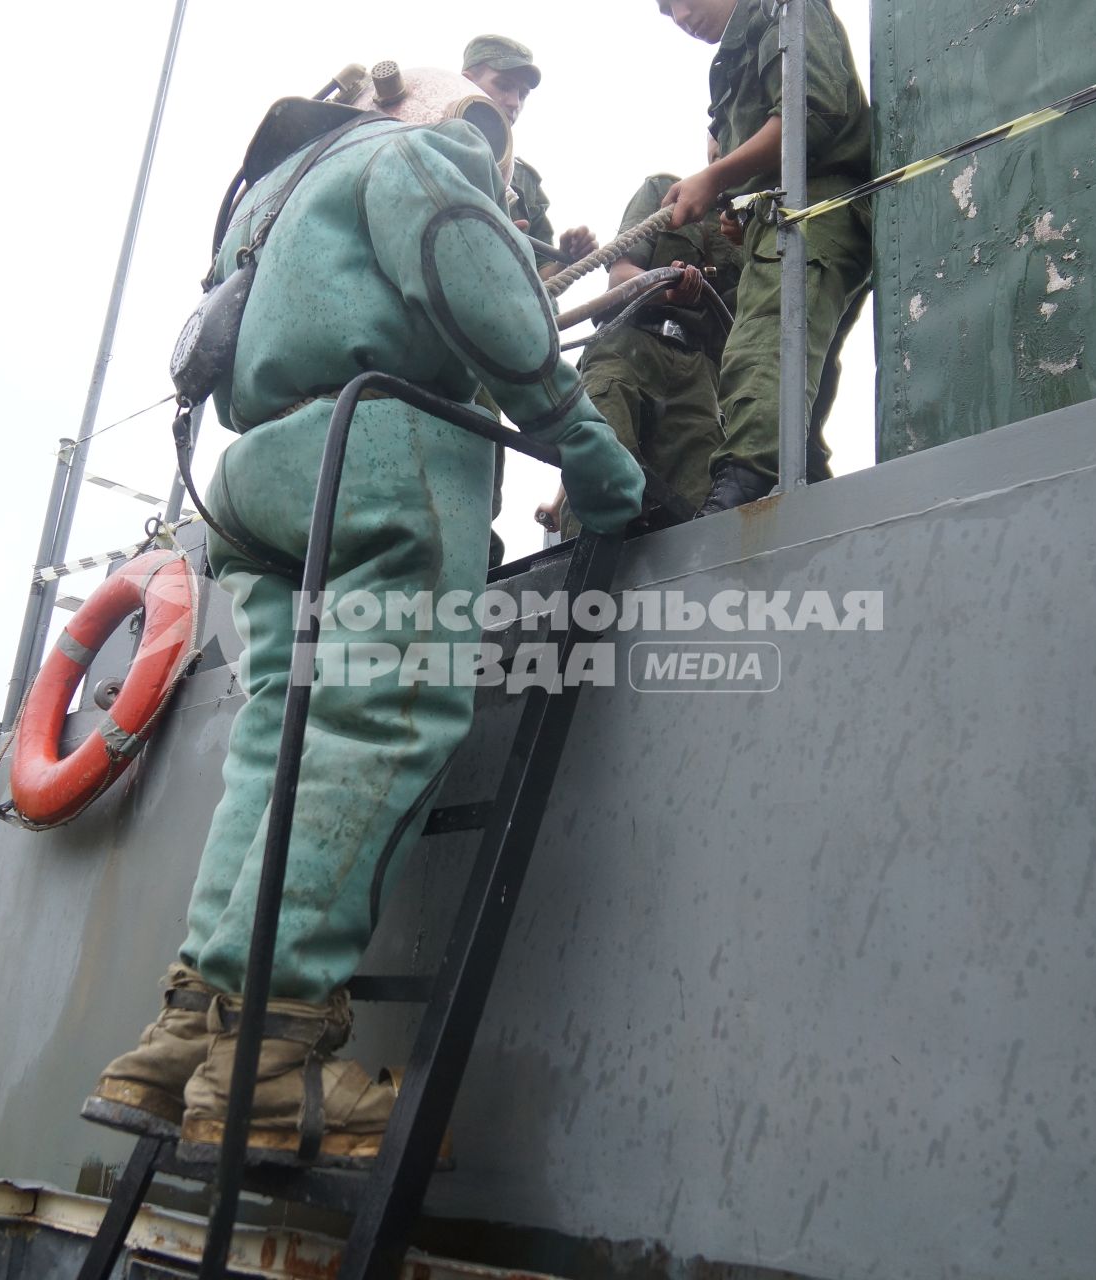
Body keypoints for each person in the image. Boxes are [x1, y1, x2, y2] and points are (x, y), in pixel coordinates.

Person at [82, 84, 644, 1162]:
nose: (488, 136)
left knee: (272, 746)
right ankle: (271, 1060)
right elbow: (458, 261)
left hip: (252, 481)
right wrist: (577, 435)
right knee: (379, 717)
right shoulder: (412, 152)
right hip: (377, 445)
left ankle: (184, 1035)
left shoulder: (268, 204)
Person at [656, 0, 873, 514]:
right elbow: (763, 166)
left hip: (815, 210)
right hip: (778, 220)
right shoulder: (732, 55)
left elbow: (810, 112)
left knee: (766, 341)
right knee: (798, 376)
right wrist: (740, 208)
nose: (681, 18)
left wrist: (712, 179)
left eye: (681, 2)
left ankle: (746, 486)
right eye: (668, 15)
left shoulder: (781, 9)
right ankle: (806, 490)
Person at [541, 155, 746, 536]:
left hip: (698, 375)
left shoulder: (750, 222)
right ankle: (575, 576)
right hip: (628, 345)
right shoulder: (664, 190)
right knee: (602, 469)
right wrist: (671, 290)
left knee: (700, 502)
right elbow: (620, 277)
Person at [461, 35, 598, 274]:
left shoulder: (523, 182)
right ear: (466, 82)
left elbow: (540, 282)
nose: (514, 102)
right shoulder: (418, 148)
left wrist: (565, 261)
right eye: (503, 86)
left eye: (523, 94)